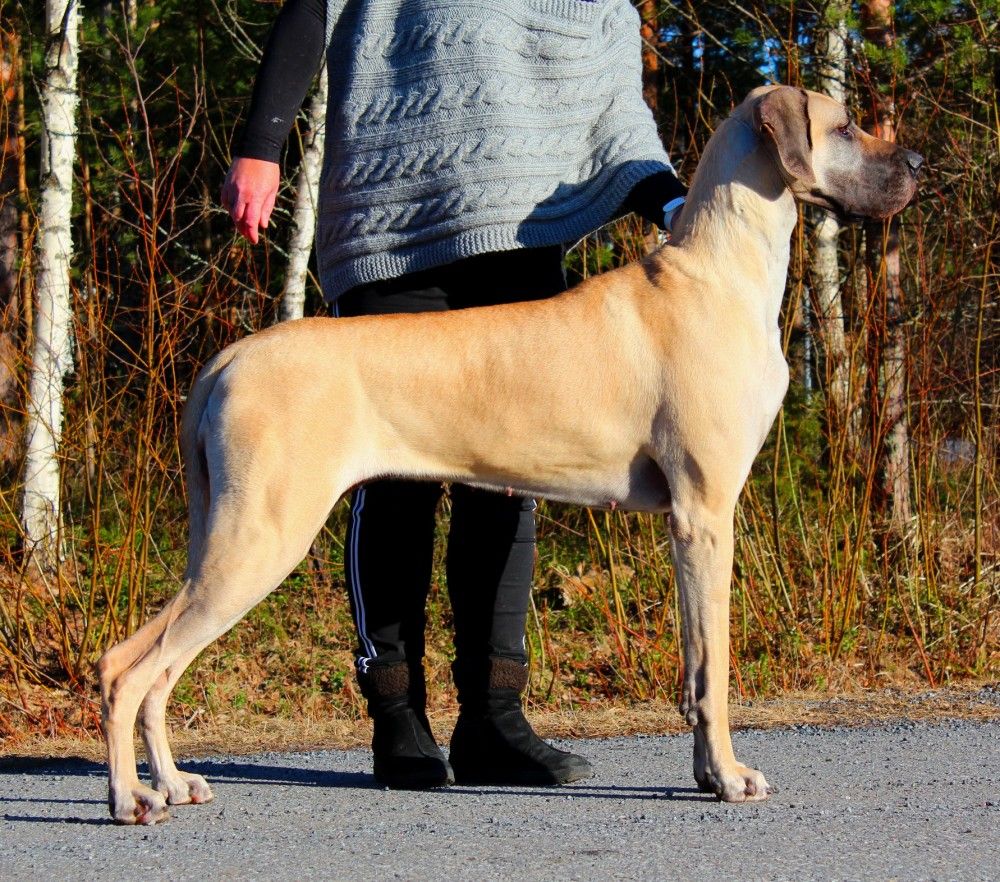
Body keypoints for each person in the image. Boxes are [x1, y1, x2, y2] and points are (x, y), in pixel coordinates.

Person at [222, 0, 686, 790]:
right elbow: (313, 7)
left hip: (519, 236)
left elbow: (618, 118)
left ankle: (493, 720)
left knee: (509, 480)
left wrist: (673, 203)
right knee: (390, 477)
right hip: (389, 221)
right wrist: (262, 145)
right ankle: (396, 715)